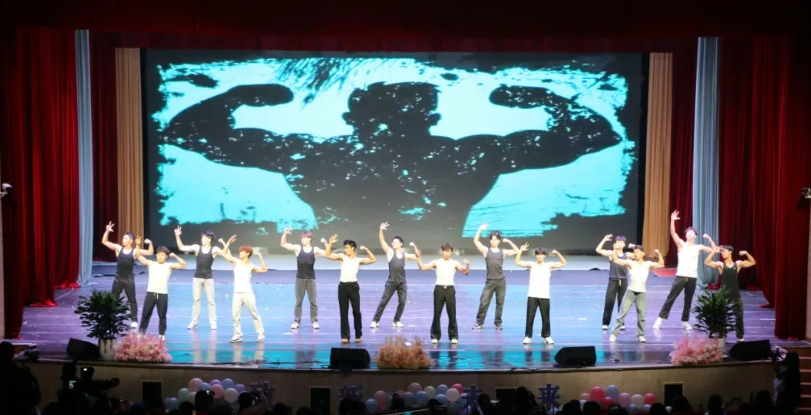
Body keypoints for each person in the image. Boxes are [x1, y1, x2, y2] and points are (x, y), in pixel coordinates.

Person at [164, 82, 621, 238]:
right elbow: (592, 135)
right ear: (433, 118)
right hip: (407, 254)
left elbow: (186, 133)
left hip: (350, 255)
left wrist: (237, 97)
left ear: (350, 118)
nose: (390, 131)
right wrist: (545, 99)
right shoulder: (464, 156)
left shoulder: (317, 156)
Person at [653, 211, 715, 330]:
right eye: (687, 232)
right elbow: (673, 232)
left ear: (695, 236)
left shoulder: (698, 247)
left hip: (692, 277)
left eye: (691, 232)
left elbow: (714, 249)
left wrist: (709, 239)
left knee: (688, 301)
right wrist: (672, 220)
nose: (689, 234)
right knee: (671, 299)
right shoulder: (681, 244)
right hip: (681, 276)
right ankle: (659, 319)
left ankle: (685, 321)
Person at [175, 226, 233, 330]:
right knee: (196, 300)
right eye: (201, 237)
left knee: (211, 301)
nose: (202, 239)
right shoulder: (197, 248)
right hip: (197, 278)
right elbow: (181, 247)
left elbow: (227, 256)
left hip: (208, 279)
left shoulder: (214, 249)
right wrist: (177, 236)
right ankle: (194, 322)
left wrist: (226, 243)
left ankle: (213, 322)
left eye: (204, 237)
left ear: (209, 239)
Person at [323, 235, 376, 343]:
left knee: (356, 311)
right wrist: (330, 243)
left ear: (353, 248)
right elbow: (327, 255)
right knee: (344, 312)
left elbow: (373, 259)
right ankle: (345, 336)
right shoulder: (342, 257)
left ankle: (358, 334)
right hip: (343, 287)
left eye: (347, 247)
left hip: (353, 287)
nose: (345, 249)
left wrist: (366, 249)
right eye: (345, 247)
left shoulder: (358, 260)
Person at [415, 243, 471, 344]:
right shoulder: (436, 262)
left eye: (448, 251)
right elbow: (423, 267)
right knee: (437, 313)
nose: (446, 253)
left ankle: (453, 336)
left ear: (451, 252)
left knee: (452, 313)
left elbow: (465, 272)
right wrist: (418, 258)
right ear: (442, 251)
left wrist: (468, 265)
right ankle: (435, 336)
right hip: (439, 289)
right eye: (444, 251)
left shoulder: (454, 263)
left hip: (450, 289)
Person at [101, 222, 153, 328]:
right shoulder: (118, 248)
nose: (123, 240)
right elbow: (104, 241)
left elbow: (150, 252)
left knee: (132, 300)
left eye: (125, 238)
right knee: (113, 299)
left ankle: (134, 320)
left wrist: (150, 243)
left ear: (131, 241)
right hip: (118, 279)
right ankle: (110, 318)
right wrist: (107, 231)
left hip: (129, 279)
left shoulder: (134, 252)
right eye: (123, 238)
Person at [609, 245, 664, 343]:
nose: (636, 254)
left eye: (638, 252)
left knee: (641, 316)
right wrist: (614, 249)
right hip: (630, 292)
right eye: (634, 252)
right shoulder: (630, 263)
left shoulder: (647, 264)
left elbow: (661, 264)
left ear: (642, 253)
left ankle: (640, 335)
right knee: (622, 313)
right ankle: (614, 334)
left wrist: (659, 254)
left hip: (641, 293)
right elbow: (615, 260)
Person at [514, 244, 566, 345]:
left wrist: (558, 254)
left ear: (545, 256)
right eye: (538, 254)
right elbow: (517, 262)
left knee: (545, 318)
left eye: (541, 254)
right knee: (530, 317)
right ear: (536, 255)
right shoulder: (531, 264)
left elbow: (563, 263)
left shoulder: (549, 265)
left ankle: (547, 336)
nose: (539, 256)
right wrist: (520, 251)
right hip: (532, 294)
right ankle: (528, 336)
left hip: (544, 295)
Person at [472, 223, 520, 330]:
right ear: (490, 241)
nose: (494, 241)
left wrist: (509, 242)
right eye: (492, 239)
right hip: (490, 281)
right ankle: (479, 323)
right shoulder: (486, 251)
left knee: (500, 304)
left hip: (501, 282)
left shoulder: (503, 252)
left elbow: (517, 251)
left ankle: (498, 323)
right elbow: (476, 241)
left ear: (499, 241)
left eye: (496, 239)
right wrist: (480, 229)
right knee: (484, 302)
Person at [704, 245, 756, 341]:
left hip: (735, 294)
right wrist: (714, 252)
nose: (722, 253)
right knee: (722, 317)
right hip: (723, 295)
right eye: (721, 252)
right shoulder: (721, 265)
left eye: (724, 251)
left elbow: (753, 262)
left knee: (739, 316)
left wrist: (746, 253)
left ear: (730, 252)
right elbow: (707, 262)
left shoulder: (738, 264)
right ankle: (722, 335)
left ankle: (740, 336)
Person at [370, 222, 417, 329]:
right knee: (384, 302)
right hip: (391, 282)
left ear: (401, 244)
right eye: (393, 242)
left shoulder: (405, 255)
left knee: (402, 302)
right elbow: (382, 241)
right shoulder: (390, 252)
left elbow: (416, 256)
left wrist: (414, 247)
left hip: (402, 282)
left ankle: (396, 320)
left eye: (396, 242)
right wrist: (381, 230)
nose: (393, 243)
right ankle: (375, 320)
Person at [280, 227, 327, 330]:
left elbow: (328, 254)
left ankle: (314, 321)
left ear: (309, 239)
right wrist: (285, 233)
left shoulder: (315, 250)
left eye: (304, 238)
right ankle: (296, 321)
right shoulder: (298, 248)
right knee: (298, 301)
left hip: (311, 279)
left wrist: (326, 243)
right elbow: (283, 244)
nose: (302, 240)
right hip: (300, 279)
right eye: (301, 238)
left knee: (313, 301)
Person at [220, 243, 268, 343]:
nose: (240, 253)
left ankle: (260, 333)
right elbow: (224, 254)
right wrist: (228, 242)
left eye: (242, 251)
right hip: (237, 293)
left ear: (247, 253)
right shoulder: (236, 262)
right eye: (240, 251)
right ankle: (237, 335)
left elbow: (264, 270)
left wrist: (260, 257)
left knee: (254, 314)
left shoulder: (251, 266)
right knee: (235, 316)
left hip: (247, 293)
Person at [136, 246, 186, 340]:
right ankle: (141, 332)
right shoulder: (151, 263)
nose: (160, 256)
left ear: (166, 256)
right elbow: (138, 256)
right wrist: (138, 245)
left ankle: (161, 334)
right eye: (158, 254)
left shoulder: (169, 265)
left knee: (162, 315)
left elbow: (183, 264)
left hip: (163, 294)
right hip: (151, 293)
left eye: (162, 255)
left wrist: (175, 256)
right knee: (145, 314)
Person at [595, 234, 629, 330]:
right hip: (613, 280)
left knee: (622, 303)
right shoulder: (611, 253)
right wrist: (604, 239)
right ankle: (605, 323)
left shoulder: (627, 255)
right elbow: (598, 250)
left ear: (624, 244)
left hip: (623, 281)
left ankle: (621, 323)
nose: (619, 244)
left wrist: (633, 246)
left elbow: (639, 254)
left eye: (621, 242)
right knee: (609, 302)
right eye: (618, 242)